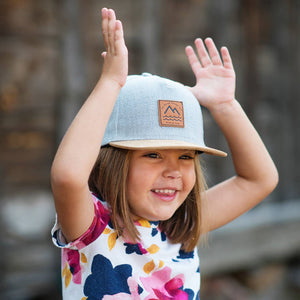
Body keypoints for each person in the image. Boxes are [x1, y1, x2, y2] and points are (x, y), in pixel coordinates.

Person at [50, 7, 278, 300]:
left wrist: (225, 106)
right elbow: (68, 176)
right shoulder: (91, 226)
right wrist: (109, 84)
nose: (173, 171)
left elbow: (259, 180)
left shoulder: (181, 224)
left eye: (185, 157)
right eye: (153, 155)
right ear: (111, 162)